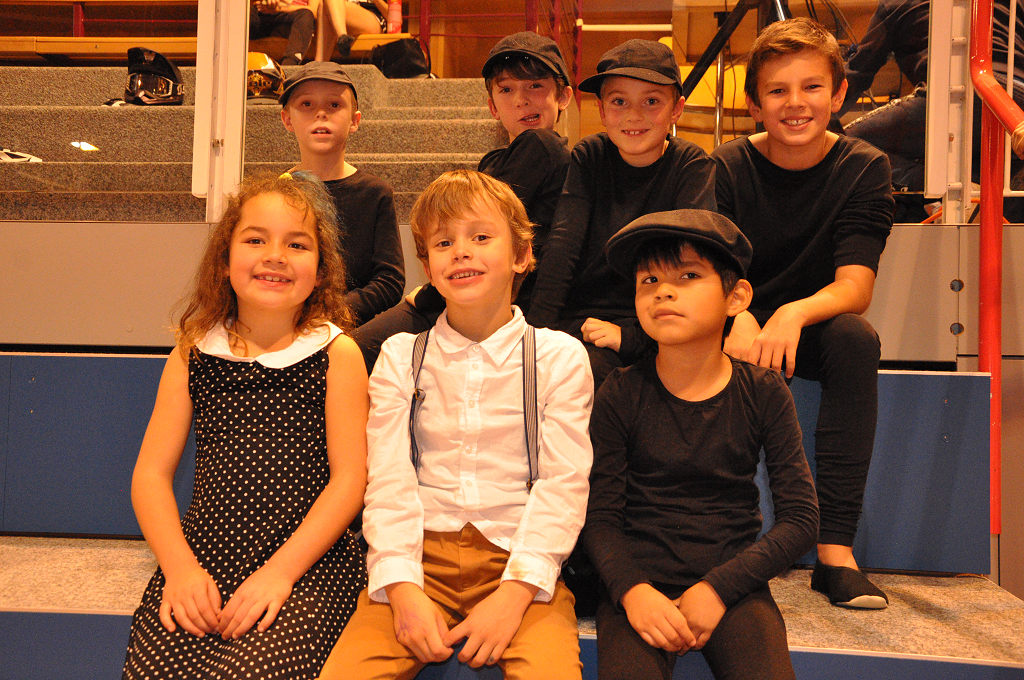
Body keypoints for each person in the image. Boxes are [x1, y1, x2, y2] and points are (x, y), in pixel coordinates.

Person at [318, 170, 593, 680]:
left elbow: (564, 485)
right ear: (427, 266)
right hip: (418, 557)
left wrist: (515, 594)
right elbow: (389, 481)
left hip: (519, 560)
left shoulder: (557, 356)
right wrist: (402, 589)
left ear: (521, 254)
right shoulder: (401, 356)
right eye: (444, 243)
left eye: (481, 237)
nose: (461, 252)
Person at [122, 172, 369, 678]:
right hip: (203, 559)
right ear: (224, 258)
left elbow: (350, 480)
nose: (275, 255)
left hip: (308, 565)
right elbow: (150, 476)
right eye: (255, 240)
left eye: (296, 244)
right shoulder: (192, 354)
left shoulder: (337, 353)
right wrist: (180, 569)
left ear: (321, 270)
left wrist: (279, 574)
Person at [583, 209, 819, 680]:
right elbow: (599, 518)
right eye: (649, 280)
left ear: (737, 297)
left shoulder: (764, 391)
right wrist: (632, 591)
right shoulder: (620, 392)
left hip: (733, 585)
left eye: (688, 276)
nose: (663, 291)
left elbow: (801, 520)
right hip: (638, 585)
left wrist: (718, 590)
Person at [712, 17, 894, 609]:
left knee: (855, 339)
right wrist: (737, 316)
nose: (796, 103)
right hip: (734, 318)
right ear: (755, 104)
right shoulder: (726, 166)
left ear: (838, 95)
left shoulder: (864, 167)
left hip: (807, 326)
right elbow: (710, 267)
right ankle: (711, 541)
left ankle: (835, 553)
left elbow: (855, 286)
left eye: (812, 87)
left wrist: (791, 313)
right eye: (778, 90)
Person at [353, 31, 573, 372]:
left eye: (535, 86)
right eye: (506, 90)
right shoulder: (495, 160)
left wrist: (426, 295)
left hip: (496, 304)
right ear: (492, 106)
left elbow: (478, 228)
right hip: (468, 297)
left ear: (564, 96)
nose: (521, 100)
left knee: (350, 353)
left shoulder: (542, 145)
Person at [526, 38, 716, 388]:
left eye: (651, 101)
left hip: (656, 320)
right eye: (619, 101)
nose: (633, 115)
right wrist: (533, 335)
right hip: (582, 318)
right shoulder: (590, 155)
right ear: (601, 110)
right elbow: (563, 246)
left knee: (596, 376)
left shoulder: (691, 166)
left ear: (677, 109)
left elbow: (689, 264)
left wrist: (632, 336)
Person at [280, 61, 405, 326]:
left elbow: (390, 280)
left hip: (351, 329)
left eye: (334, 105)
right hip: (283, 323)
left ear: (354, 121)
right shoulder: (274, 194)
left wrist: (332, 314)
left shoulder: (375, 194)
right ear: (287, 119)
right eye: (306, 104)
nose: (320, 114)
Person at [249, 0, 319, 66]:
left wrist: (280, 8)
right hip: (264, 14)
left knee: (306, 14)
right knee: (248, 12)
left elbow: (313, 11)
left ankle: (288, 66)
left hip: (291, 19)